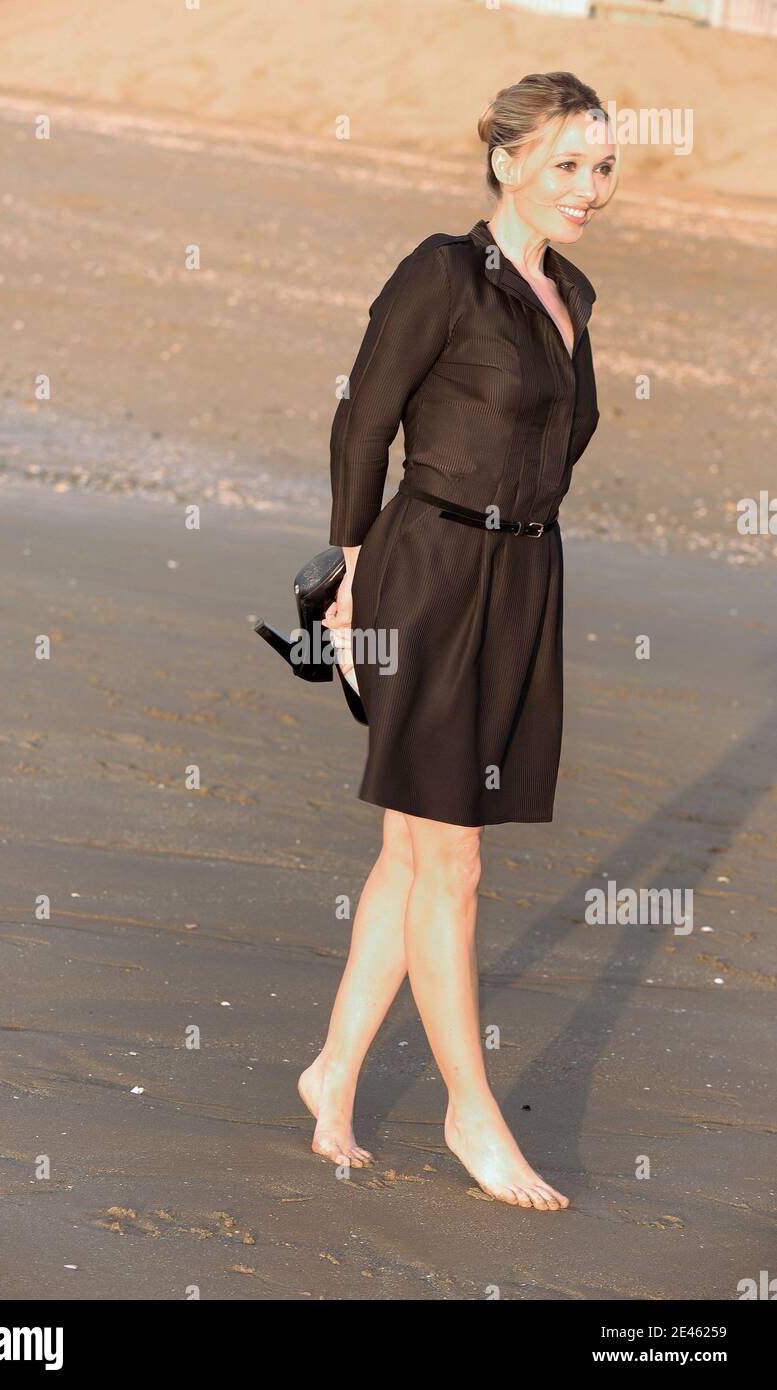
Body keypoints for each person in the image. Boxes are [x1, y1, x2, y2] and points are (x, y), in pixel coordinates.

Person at [300, 72, 618, 1211]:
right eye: (566, 164)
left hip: (523, 578)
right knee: (456, 862)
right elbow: (363, 418)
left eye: (600, 166)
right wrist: (343, 574)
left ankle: (333, 1071)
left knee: (413, 851)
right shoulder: (443, 272)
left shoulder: (572, 290)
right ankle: (470, 1112)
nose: (588, 187)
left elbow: (553, 446)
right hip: (426, 574)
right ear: (507, 161)